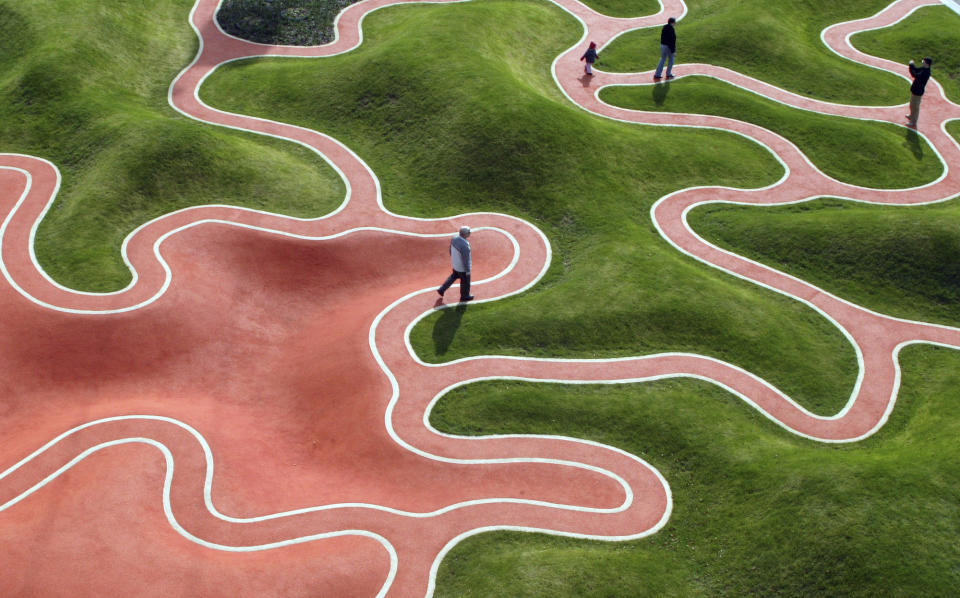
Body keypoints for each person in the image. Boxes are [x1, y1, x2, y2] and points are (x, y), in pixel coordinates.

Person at [437, 226, 474, 302]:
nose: (470, 233)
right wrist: (467, 271)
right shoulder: (464, 246)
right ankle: (465, 296)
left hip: (455, 265)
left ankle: (442, 289)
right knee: (465, 282)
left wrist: (454, 259)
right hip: (462, 268)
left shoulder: (454, 239)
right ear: (464, 234)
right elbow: (466, 259)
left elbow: (450, 249)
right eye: (469, 232)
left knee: (453, 277)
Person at [906, 57, 933, 128]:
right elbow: (916, 70)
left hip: (918, 92)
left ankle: (913, 122)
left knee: (915, 107)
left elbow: (914, 74)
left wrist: (911, 65)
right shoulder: (924, 69)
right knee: (912, 104)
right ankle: (911, 116)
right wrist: (912, 66)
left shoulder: (926, 72)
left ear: (927, 64)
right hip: (915, 90)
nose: (922, 62)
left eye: (924, 62)